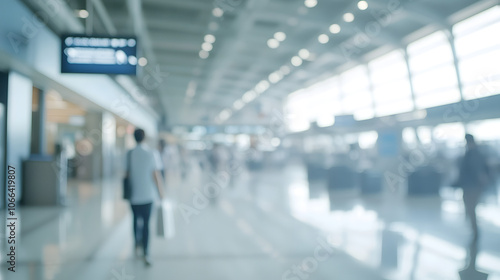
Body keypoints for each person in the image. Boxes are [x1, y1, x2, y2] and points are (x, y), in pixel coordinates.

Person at [126, 128, 164, 266]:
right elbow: (156, 175)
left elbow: (126, 174)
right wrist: (161, 193)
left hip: (133, 195)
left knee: (135, 220)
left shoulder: (129, 154)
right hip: (148, 195)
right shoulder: (152, 153)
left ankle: (136, 244)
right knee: (147, 224)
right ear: (145, 138)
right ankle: (146, 251)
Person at [457, 134, 490, 243]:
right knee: (470, 209)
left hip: (472, 187)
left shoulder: (473, 154)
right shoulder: (475, 153)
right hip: (471, 186)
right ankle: (474, 231)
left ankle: (475, 233)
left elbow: (477, 171)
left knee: (471, 209)